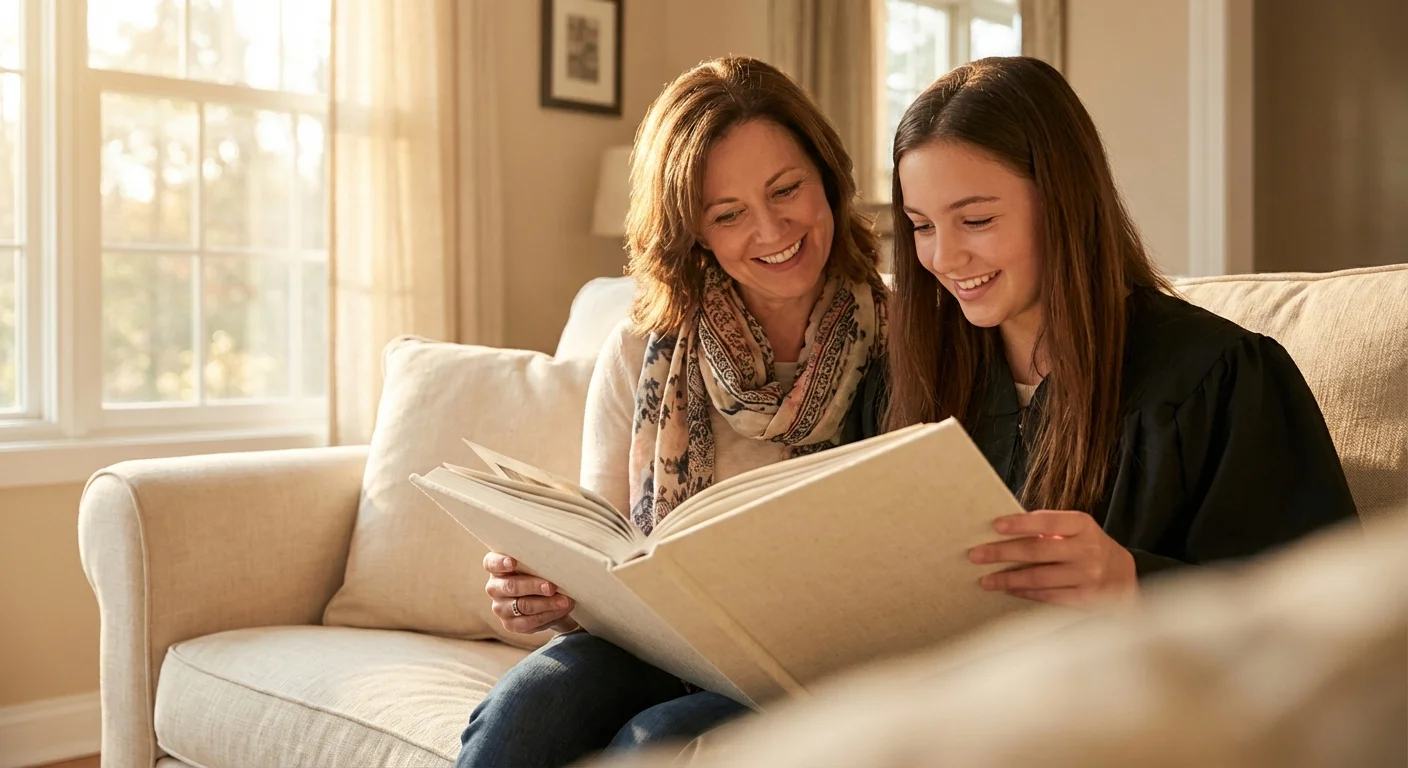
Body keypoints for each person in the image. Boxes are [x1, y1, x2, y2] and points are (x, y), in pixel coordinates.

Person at [455, 56, 887, 767]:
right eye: (729, 214)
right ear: (695, 233)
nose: (772, 229)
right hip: (655, 642)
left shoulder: (908, 336)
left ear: (830, 180)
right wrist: (553, 594)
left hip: (814, 655)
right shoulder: (638, 350)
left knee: (652, 744)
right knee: (519, 717)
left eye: (788, 190)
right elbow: (607, 556)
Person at [871, 55, 1356, 608]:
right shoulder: (911, 376)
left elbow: (1328, 620)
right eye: (921, 226)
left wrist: (1133, 582)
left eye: (976, 220)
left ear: (1064, 202)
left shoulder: (1220, 379)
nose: (944, 256)